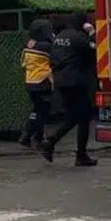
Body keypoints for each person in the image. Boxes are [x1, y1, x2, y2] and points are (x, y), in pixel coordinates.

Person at [42, 13, 98, 166]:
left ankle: (52, 143)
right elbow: (96, 48)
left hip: (61, 81)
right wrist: (92, 32)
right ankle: (79, 154)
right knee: (83, 117)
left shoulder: (59, 37)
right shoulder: (78, 38)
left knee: (74, 116)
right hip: (76, 82)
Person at [18, 18, 54, 149]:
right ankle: (29, 135)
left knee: (37, 109)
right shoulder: (47, 46)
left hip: (30, 82)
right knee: (43, 111)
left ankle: (33, 137)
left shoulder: (27, 45)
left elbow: (22, 64)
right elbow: (55, 61)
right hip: (43, 82)